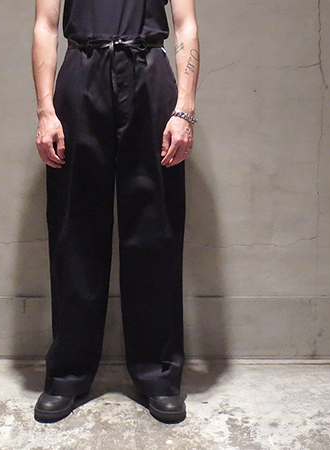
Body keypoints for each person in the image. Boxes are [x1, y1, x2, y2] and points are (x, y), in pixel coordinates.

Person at [32, 0, 199, 423]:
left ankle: (158, 374)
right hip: (81, 75)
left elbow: (185, 25)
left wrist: (184, 109)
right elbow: (46, 26)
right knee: (74, 229)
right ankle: (67, 374)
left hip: (149, 75)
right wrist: (46, 111)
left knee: (155, 229)